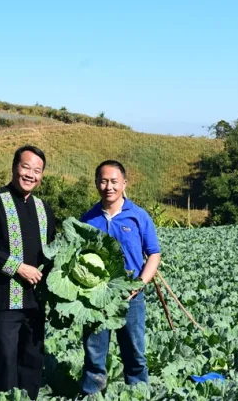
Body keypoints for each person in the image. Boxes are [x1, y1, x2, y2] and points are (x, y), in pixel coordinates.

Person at [0, 145, 56, 400]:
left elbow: (52, 251)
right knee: (7, 360)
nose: (31, 174)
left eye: (37, 170)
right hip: (4, 300)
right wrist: (17, 266)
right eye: (26, 167)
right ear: (14, 167)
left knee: (32, 359)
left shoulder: (44, 208)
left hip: (35, 301)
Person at [79, 160, 161, 395]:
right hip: (95, 299)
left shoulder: (138, 216)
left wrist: (140, 284)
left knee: (134, 353)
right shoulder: (87, 219)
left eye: (114, 181)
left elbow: (153, 253)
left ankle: (137, 394)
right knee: (94, 353)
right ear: (96, 183)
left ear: (124, 183)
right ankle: (91, 395)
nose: (109, 186)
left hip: (130, 297)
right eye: (103, 181)